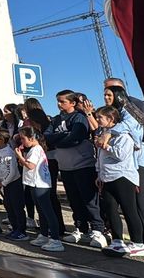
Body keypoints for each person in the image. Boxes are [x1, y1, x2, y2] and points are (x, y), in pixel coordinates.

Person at [45, 90, 107, 248]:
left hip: (83, 165)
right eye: (58, 101)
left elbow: (76, 137)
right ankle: (81, 228)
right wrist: (63, 137)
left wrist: (59, 139)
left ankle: (98, 230)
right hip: (65, 166)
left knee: (89, 199)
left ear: (72, 103)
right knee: (74, 200)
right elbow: (47, 136)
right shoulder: (56, 119)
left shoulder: (79, 117)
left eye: (62, 101)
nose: (59, 104)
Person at [93, 106, 144, 258]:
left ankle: (138, 243)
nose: (98, 120)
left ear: (111, 119)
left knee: (129, 210)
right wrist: (99, 174)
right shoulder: (102, 134)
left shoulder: (124, 136)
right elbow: (100, 158)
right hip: (107, 177)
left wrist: (106, 146)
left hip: (123, 177)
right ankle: (117, 241)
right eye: (97, 117)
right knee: (110, 209)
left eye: (100, 118)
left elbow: (121, 155)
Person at [15, 127, 64, 252]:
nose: (22, 141)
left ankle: (55, 239)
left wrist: (20, 156)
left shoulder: (36, 149)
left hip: (40, 184)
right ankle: (43, 234)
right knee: (41, 211)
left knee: (47, 211)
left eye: (23, 139)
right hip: (35, 183)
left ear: (31, 138)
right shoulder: (32, 149)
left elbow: (30, 166)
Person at [0, 129, 26, 241]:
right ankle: (15, 228)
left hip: (13, 183)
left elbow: (12, 171)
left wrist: (3, 182)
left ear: (1, 139)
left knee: (17, 207)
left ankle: (22, 230)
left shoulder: (9, 153)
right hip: (3, 183)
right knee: (9, 206)